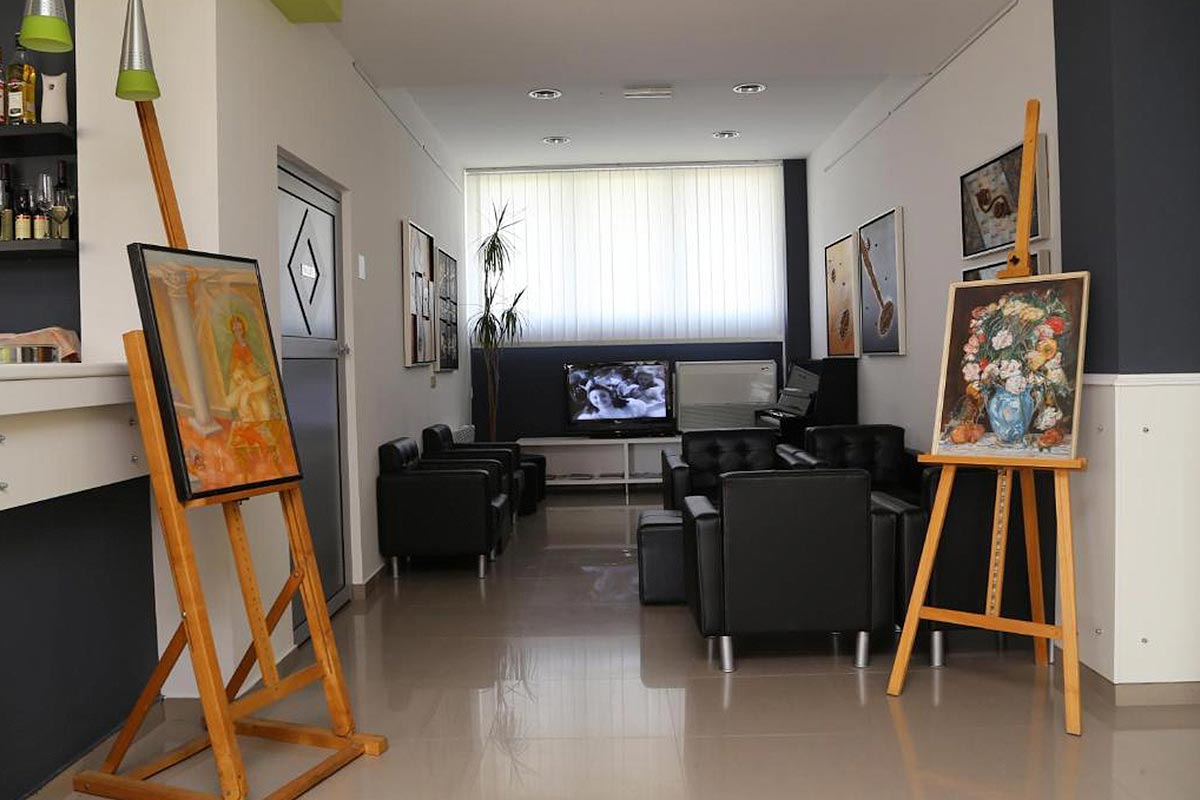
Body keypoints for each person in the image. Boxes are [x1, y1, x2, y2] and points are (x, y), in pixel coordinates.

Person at [576, 382, 648, 420]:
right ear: (590, 400)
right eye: (595, 397)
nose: (599, 400)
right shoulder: (593, 417)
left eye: (603, 396)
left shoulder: (630, 406)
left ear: (611, 396)